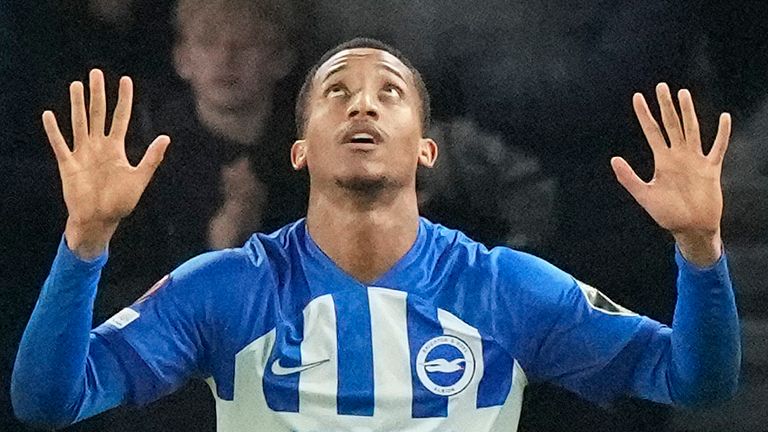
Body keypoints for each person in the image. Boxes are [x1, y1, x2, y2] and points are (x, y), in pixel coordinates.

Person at [12, 38, 740, 431]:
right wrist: (84, 242)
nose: (363, 101)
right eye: (337, 91)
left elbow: (696, 382)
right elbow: (48, 401)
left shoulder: (503, 291)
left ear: (426, 148)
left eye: (389, 91)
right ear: (301, 149)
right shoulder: (229, 289)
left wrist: (702, 253)